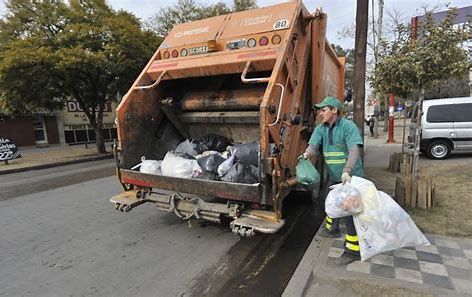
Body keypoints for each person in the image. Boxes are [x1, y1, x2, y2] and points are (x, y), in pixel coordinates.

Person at [303, 96, 364, 265]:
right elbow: (313, 145)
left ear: (335, 111)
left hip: (351, 177)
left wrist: (347, 170)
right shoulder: (321, 128)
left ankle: (353, 251)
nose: (320, 113)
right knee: (329, 201)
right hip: (335, 177)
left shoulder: (348, 127)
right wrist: (307, 153)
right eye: (320, 110)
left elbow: (354, 151)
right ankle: (332, 229)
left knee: (349, 213)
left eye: (323, 110)